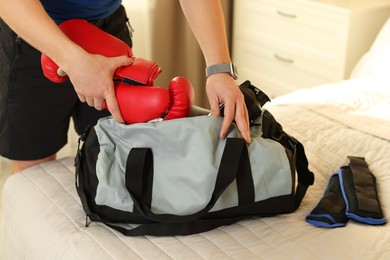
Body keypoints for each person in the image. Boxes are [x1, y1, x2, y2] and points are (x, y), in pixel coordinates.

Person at [0, 0, 250, 173]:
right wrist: (75, 62)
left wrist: (220, 71)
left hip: (109, 31)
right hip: (37, 34)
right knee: (35, 171)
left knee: (114, 158)